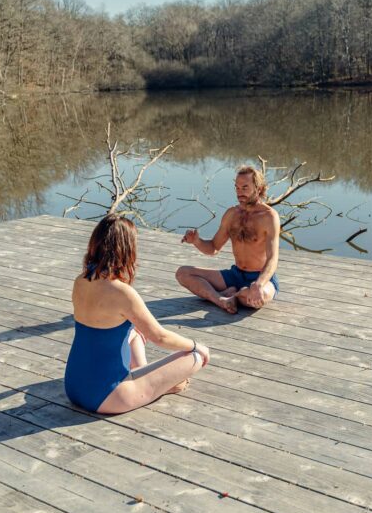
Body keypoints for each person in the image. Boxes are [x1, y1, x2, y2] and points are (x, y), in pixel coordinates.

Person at [65, 213, 209, 414]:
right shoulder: (123, 292)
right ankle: (161, 387)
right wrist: (196, 346)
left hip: (73, 387)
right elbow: (160, 337)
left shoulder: (80, 281)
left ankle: (146, 378)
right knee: (195, 358)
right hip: (109, 397)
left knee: (134, 333)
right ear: (126, 249)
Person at [176, 165, 281, 314]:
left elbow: (273, 259)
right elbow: (213, 247)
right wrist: (196, 242)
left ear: (259, 188)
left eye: (245, 187)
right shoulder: (232, 214)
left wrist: (258, 284)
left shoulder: (269, 217)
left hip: (260, 277)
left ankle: (232, 294)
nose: (240, 192)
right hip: (235, 275)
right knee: (183, 273)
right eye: (237, 188)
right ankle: (222, 300)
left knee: (259, 296)